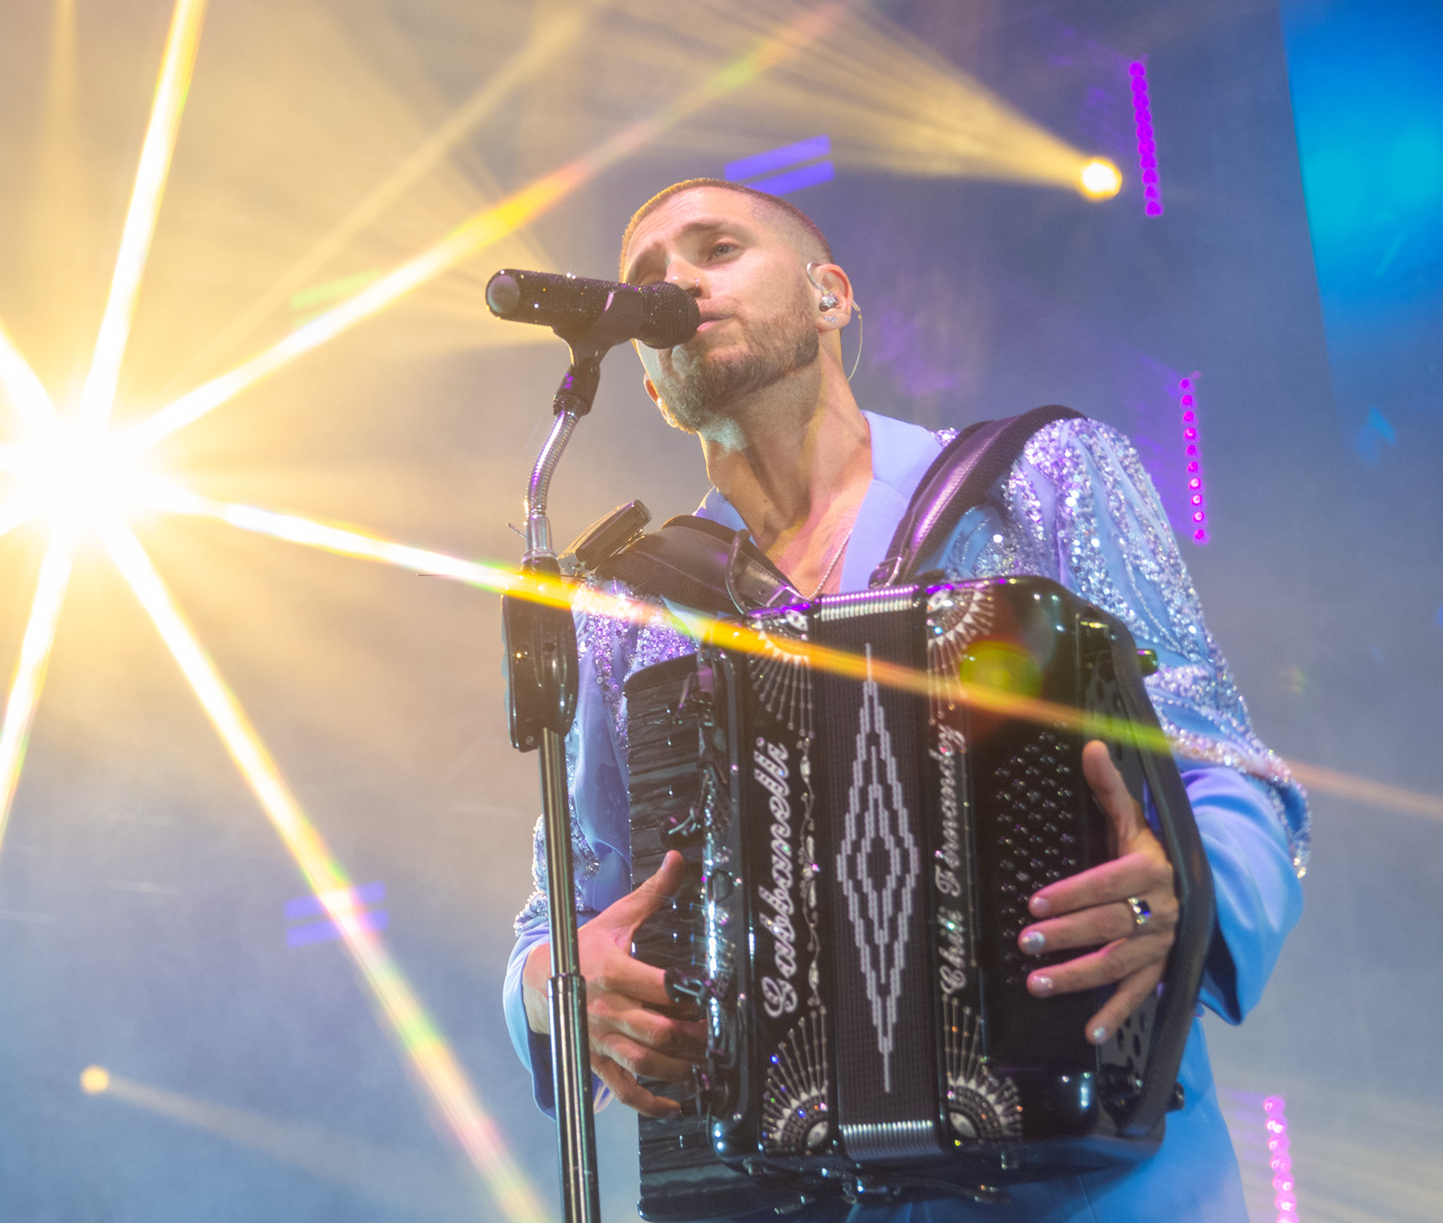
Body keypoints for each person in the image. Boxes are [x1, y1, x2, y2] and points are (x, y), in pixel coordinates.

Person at [502, 178, 1308, 1221]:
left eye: (716, 248)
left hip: (1083, 1191)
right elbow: (562, 907)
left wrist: (1180, 895)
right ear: (655, 388)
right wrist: (553, 987)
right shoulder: (631, 612)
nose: (674, 282)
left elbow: (1222, 765)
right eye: (649, 273)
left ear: (830, 295)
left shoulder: (1041, 479)